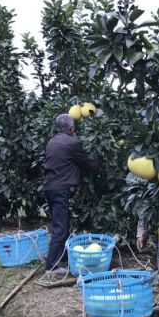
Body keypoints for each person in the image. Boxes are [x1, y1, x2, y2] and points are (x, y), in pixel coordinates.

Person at [43, 114, 100, 273]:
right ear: (72, 128)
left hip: (50, 187)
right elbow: (86, 162)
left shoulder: (52, 141)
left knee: (60, 225)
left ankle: (62, 259)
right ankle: (51, 266)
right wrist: (99, 167)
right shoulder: (72, 142)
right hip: (61, 189)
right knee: (60, 228)